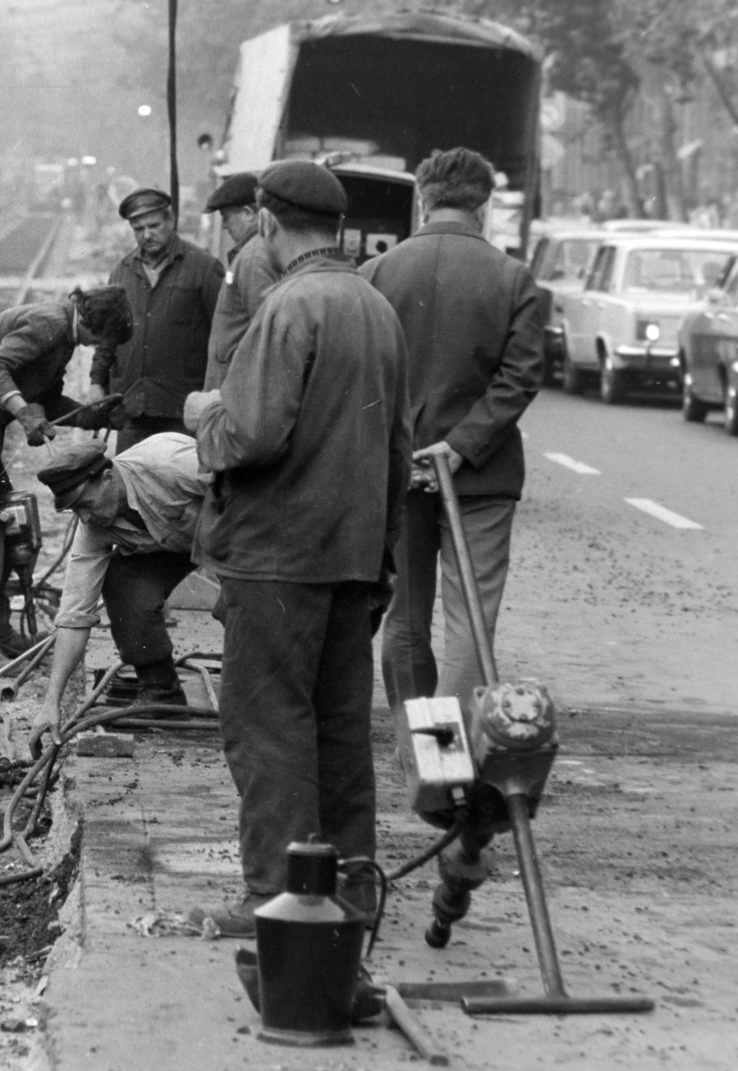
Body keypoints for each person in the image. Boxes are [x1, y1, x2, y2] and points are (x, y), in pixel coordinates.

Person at [182, 160, 410, 937]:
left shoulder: (289, 305)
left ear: (269, 222)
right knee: (340, 728)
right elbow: (399, 448)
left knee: (269, 724)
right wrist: (382, 557)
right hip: (352, 555)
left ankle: (277, 898)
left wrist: (203, 413)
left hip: (279, 556)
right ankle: (352, 889)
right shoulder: (376, 306)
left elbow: (248, 434)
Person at [361, 147, 543, 729]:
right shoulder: (513, 277)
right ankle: (459, 745)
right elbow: (522, 377)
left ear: (423, 199)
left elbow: (364, 372)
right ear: (484, 206)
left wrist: (399, 445)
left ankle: (424, 748)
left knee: (405, 618)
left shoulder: (379, 273)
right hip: (481, 476)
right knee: (471, 618)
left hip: (400, 470)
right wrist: (462, 444)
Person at [0, 287, 133, 673]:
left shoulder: (63, 337)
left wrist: (97, 416)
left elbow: (49, 402)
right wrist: (23, 414)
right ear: (95, 323)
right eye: (104, 339)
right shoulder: (50, 323)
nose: (101, 348)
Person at [32, 435, 209, 745]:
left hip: (234, 529)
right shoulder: (93, 529)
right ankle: (161, 694)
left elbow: (253, 492)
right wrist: (51, 702)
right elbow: (74, 615)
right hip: (176, 545)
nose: (85, 518)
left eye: (86, 504)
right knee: (121, 580)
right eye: (75, 511)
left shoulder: (173, 466)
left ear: (109, 477)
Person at [90, 188, 223, 452]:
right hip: (132, 409)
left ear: (170, 220)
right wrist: (96, 382)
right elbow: (108, 337)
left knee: (181, 487)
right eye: (138, 229)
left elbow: (225, 334)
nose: (147, 235)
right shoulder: (122, 273)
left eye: (154, 225)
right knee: (129, 486)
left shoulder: (204, 268)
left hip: (182, 411)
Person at [202, 172, 279, 390]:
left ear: (248, 214)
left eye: (226, 216)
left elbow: (264, 334)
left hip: (235, 391)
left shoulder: (253, 258)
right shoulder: (252, 253)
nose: (224, 226)